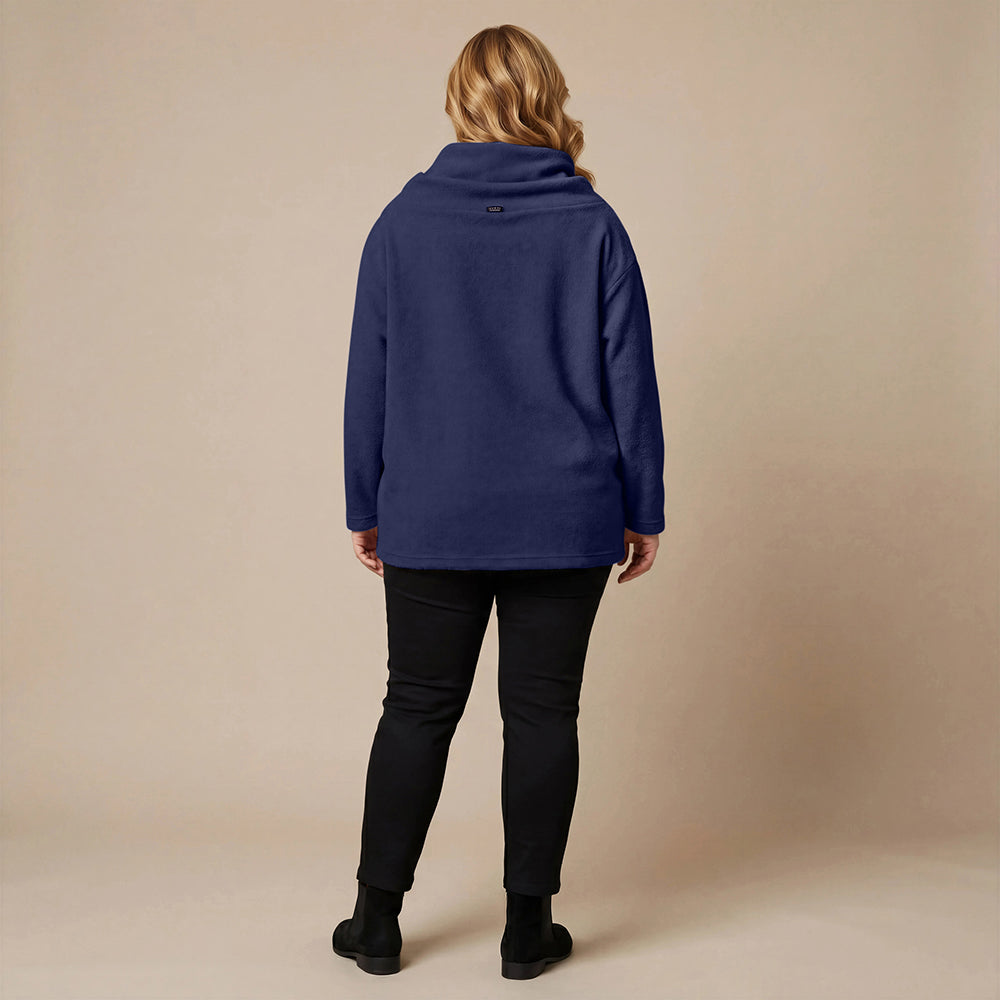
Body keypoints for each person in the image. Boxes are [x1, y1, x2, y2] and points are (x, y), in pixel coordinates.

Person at [332, 23, 665, 981]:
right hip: (565, 512)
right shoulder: (592, 225)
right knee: (544, 713)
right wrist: (642, 507)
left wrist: (365, 502)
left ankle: (376, 923)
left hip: (432, 509)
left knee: (416, 707)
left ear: (459, 100)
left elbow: (368, 378)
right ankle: (528, 930)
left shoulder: (403, 223)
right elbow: (631, 380)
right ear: (546, 98)